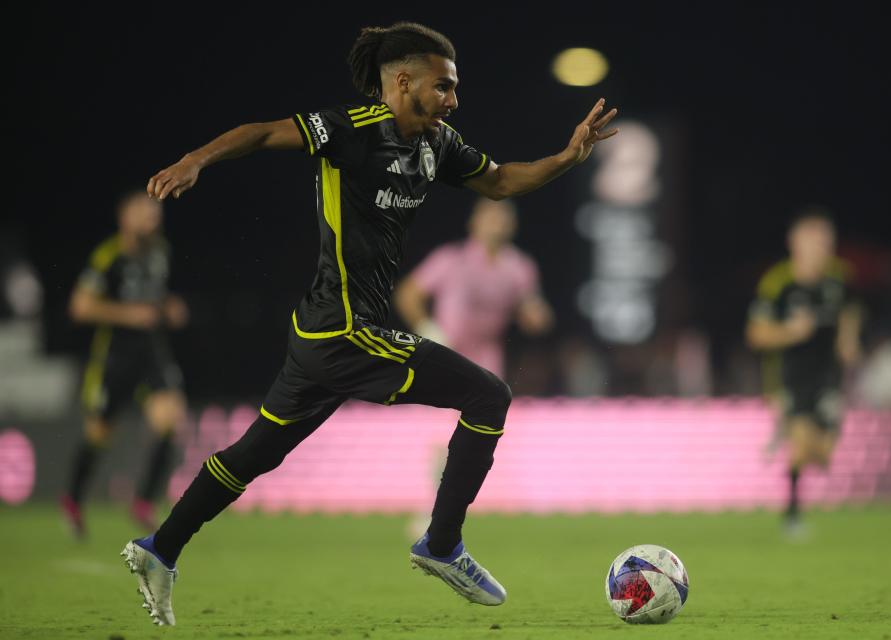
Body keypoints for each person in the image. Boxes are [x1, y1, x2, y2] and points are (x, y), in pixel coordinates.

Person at [121, 21, 618, 626]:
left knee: (251, 456)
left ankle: (159, 549)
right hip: (345, 332)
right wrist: (195, 159)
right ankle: (440, 546)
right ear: (402, 81)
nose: (453, 100)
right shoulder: (350, 130)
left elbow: (501, 180)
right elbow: (261, 133)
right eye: (443, 87)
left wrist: (568, 157)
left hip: (318, 336)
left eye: (455, 88)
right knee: (489, 395)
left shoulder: (437, 143)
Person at [62, 191, 189, 538]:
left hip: (152, 352)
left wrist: (168, 308)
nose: (152, 219)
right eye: (144, 213)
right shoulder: (108, 256)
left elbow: (152, 298)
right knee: (100, 433)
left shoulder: (161, 253)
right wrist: (130, 315)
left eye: (155, 213)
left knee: (170, 419)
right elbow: (80, 307)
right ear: (125, 218)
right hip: (116, 356)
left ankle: (144, 502)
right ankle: (73, 500)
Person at [745, 210, 861, 534]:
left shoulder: (840, 278)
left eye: (825, 241)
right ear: (795, 243)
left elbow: (851, 310)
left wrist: (848, 339)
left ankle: (786, 434)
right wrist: (791, 332)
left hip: (828, 376)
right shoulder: (778, 283)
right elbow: (756, 334)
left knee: (822, 455)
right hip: (789, 375)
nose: (820, 248)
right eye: (813, 241)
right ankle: (792, 516)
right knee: (801, 444)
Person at [394, 196, 553, 378]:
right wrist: (428, 329)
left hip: (488, 360)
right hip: (446, 353)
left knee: (486, 403)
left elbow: (531, 312)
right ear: (474, 221)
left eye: (503, 216)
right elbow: (407, 294)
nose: (497, 222)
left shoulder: (520, 267)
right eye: (490, 215)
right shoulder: (450, 259)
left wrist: (537, 317)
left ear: (513, 224)